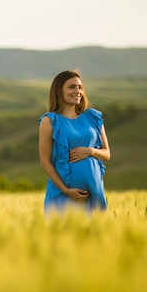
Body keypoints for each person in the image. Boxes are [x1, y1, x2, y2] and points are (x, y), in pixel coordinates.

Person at [38, 70, 111, 214]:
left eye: (80, 87)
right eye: (71, 87)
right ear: (59, 91)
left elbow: (107, 153)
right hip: (62, 194)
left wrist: (90, 151)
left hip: (93, 193)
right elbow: (45, 161)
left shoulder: (93, 118)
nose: (77, 91)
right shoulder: (50, 121)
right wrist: (66, 190)